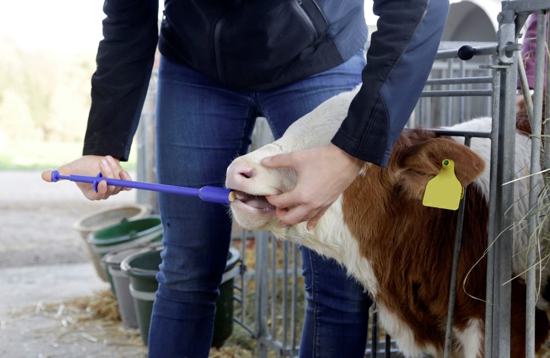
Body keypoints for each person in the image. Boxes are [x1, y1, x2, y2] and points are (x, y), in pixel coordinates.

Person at [42, 1, 449, 357]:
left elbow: (417, 4)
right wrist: (103, 141)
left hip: (318, 54)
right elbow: (129, 14)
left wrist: (351, 150)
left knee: (337, 284)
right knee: (186, 269)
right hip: (195, 65)